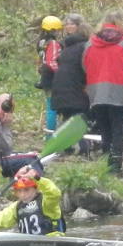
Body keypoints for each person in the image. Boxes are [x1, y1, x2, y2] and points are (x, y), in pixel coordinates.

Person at [83, 10, 123, 174]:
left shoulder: (90, 45)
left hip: (95, 94)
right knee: (118, 131)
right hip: (119, 94)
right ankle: (115, 167)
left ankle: (105, 162)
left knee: (104, 130)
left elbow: (84, 66)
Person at [0, 165, 65, 235]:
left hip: (51, 241)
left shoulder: (46, 202)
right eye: (19, 191)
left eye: (26, 190)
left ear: (35, 188)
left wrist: (38, 178)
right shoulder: (17, 207)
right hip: (29, 244)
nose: (23, 195)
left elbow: (54, 193)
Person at [50, 25, 90, 155]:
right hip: (75, 89)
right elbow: (86, 69)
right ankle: (84, 148)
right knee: (80, 119)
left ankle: (66, 147)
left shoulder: (66, 50)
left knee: (67, 118)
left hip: (59, 89)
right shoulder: (85, 48)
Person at [36, 15, 62, 138]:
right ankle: (50, 136)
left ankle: (49, 134)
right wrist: (61, 74)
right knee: (52, 108)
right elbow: (52, 61)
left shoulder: (41, 42)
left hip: (44, 75)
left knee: (49, 105)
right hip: (52, 77)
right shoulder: (53, 43)